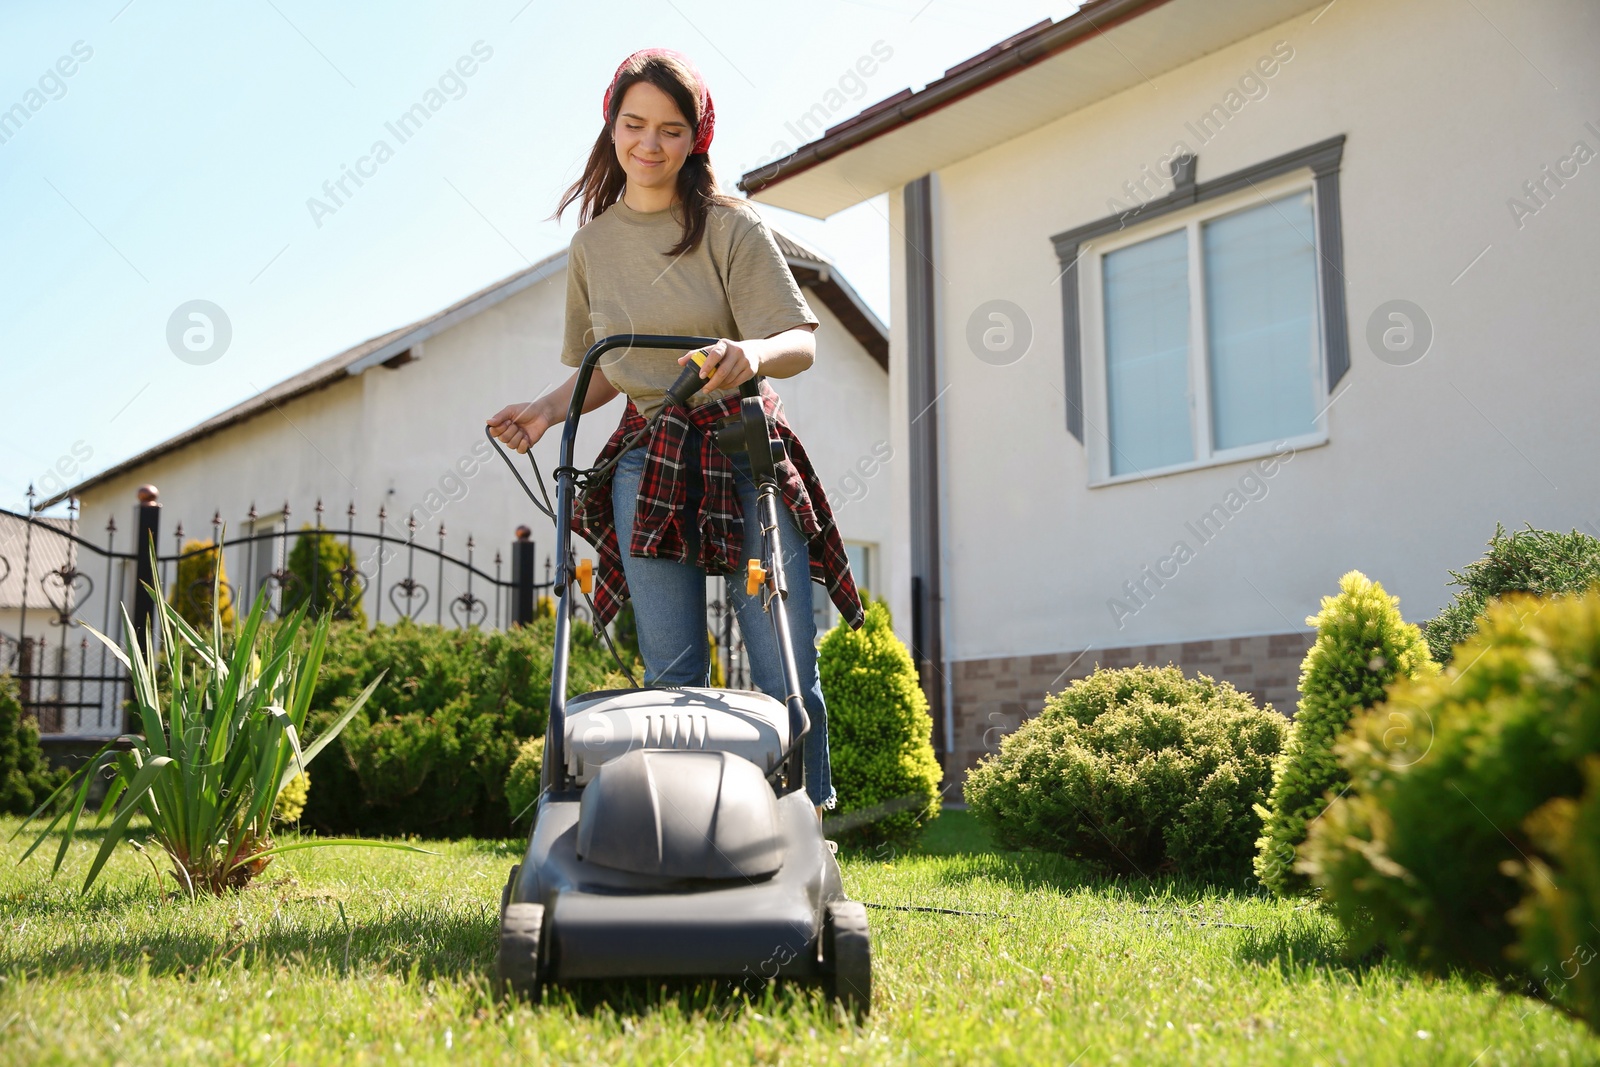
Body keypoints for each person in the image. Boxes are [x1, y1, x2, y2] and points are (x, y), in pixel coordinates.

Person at [486, 48, 863, 819]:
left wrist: (748, 352)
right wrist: (546, 409)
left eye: (668, 129)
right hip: (648, 459)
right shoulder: (593, 246)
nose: (649, 144)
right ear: (611, 128)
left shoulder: (729, 226)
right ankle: (694, 821)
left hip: (741, 452)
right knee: (673, 671)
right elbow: (608, 366)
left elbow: (801, 338)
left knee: (782, 659)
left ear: (696, 138)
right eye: (634, 125)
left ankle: (807, 820)